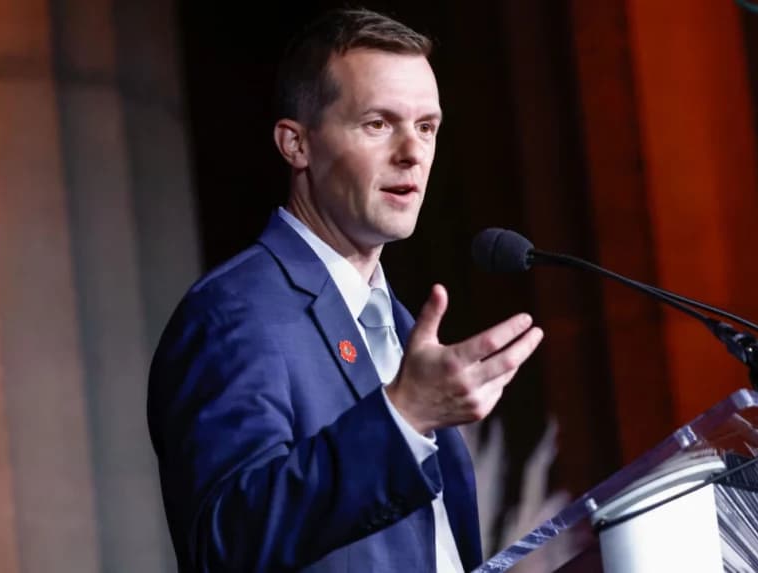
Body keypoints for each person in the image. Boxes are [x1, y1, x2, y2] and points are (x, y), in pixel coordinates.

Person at [147, 8, 544, 573]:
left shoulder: (398, 323)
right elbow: (227, 541)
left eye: (426, 127)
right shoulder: (234, 313)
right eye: (378, 124)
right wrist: (402, 417)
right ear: (296, 144)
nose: (412, 152)